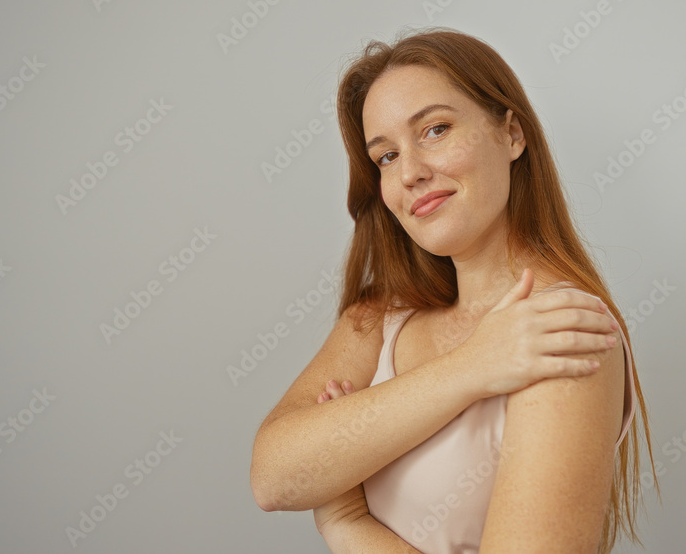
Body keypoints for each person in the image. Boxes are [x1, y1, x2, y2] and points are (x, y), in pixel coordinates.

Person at [251, 27, 659, 553]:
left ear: (511, 134)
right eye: (386, 157)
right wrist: (473, 367)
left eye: (436, 129)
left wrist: (347, 524)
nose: (411, 173)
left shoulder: (563, 330)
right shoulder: (379, 318)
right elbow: (272, 477)